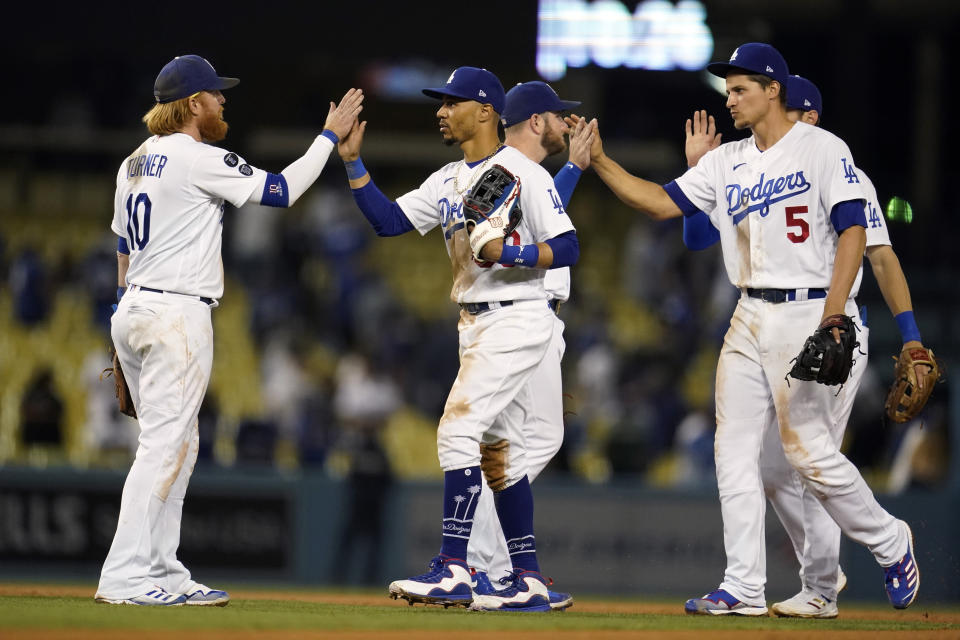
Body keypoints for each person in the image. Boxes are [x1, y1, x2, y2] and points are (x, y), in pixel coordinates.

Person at [574, 42, 919, 615]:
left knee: (807, 452)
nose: (730, 99)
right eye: (728, 89)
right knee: (734, 451)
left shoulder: (823, 148)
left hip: (810, 308)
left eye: (740, 89)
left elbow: (857, 236)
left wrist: (836, 313)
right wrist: (602, 162)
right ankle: (743, 586)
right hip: (749, 312)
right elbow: (662, 203)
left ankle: (889, 540)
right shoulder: (726, 159)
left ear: (774, 89)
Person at [95, 55, 363, 606]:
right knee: (165, 445)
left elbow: (122, 249)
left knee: (181, 445)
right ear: (193, 103)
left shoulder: (132, 163)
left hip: (137, 306)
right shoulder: (197, 157)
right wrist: (328, 138)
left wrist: (128, 316)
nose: (223, 101)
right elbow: (282, 191)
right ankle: (124, 574)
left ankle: (163, 571)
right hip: (176, 312)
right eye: (215, 94)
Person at [680, 74, 933, 618]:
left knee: (807, 458)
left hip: (832, 332)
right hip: (765, 322)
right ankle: (819, 582)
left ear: (809, 118)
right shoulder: (750, 169)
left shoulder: (842, 175)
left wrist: (910, 338)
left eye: (799, 112)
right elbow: (699, 236)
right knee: (777, 469)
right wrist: (698, 170)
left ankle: (841, 572)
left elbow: (883, 260)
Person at [335, 66, 580, 612]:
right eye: (440, 103)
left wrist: (511, 254)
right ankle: (528, 578)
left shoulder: (522, 171)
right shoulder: (449, 178)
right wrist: (352, 162)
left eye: (452, 102)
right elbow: (390, 222)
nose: (442, 111)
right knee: (499, 455)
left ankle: (454, 567)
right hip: (476, 321)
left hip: (515, 315)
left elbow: (566, 248)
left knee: (456, 430)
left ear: (486, 111)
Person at [466, 81, 595, 612]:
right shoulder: (517, 169)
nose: (568, 124)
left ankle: (489, 568)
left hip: (525, 315)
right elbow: (542, 235)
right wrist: (575, 171)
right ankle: (483, 566)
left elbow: (536, 211)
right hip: (516, 316)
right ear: (537, 121)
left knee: (533, 439)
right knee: (523, 442)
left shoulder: (525, 173)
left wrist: (575, 170)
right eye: (561, 117)